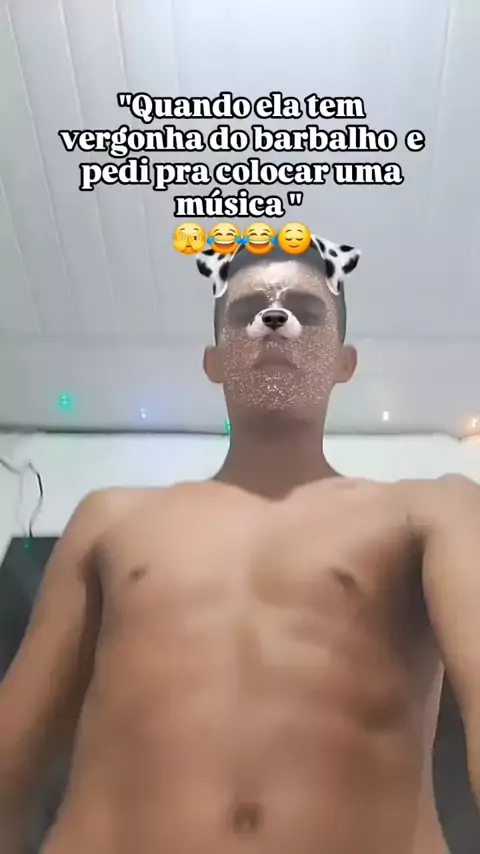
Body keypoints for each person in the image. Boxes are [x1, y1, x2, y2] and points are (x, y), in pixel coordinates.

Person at [1, 232, 479, 854]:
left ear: (344, 362)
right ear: (215, 361)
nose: (273, 322)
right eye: (247, 311)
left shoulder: (431, 510)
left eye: (305, 313)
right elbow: (10, 755)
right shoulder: (110, 520)